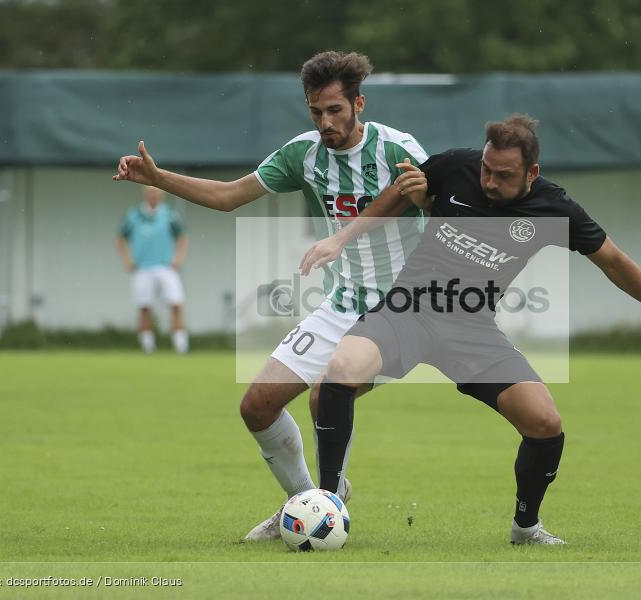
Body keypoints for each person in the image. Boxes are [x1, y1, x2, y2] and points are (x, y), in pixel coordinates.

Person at [307, 114, 641, 545]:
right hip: (409, 311)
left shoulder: (555, 208)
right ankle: (328, 504)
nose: (490, 182)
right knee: (338, 373)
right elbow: (398, 194)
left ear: (531, 173)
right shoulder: (456, 165)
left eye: (504, 175)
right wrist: (341, 238)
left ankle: (526, 528)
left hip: (471, 328)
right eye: (486, 169)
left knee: (545, 422)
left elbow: (613, 261)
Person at [112, 51, 428, 541]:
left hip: (402, 309)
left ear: (359, 103)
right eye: (316, 111)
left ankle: (325, 506)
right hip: (342, 304)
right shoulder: (303, 155)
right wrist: (159, 178)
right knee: (257, 406)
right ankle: (305, 506)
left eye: (335, 110)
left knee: (328, 392)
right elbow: (228, 196)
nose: (325, 122)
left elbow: (442, 201)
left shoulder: (397, 149)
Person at [115, 185, 190, 354]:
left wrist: (178, 259)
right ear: (145, 194)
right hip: (142, 268)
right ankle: (147, 347)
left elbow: (183, 237)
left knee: (176, 304)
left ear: (162, 195)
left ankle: (181, 346)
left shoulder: (170, 215)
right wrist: (127, 260)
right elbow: (120, 238)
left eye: (156, 193)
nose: (153, 196)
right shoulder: (134, 215)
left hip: (166, 267)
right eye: (150, 193)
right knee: (144, 307)